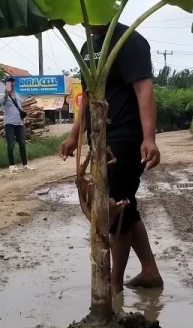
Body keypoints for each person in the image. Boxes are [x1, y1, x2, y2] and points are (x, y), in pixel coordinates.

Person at [58, 23, 164, 294]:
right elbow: (89, 97)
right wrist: (75, 135)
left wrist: (149, 138)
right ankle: (149, 271)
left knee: (112, 210)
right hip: (100, 137)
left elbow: (144, 89)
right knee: (126, 207)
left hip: (126, 136)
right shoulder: (87, 48)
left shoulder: (129, 40)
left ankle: (113, 287)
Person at [0, 76, 32, 173]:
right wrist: (7, 93)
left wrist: (23, 122)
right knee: (11, 144)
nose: (12, 84)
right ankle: (12, 165)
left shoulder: (17, 95)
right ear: (6, 84)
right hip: (9, 122)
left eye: (13, 83)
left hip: (19, 122)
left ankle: (25, 164)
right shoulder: (2, 95)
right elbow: (2, 101)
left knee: (22, 144)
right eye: (9, 83)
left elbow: (20, 108)